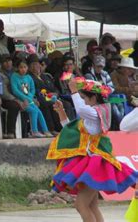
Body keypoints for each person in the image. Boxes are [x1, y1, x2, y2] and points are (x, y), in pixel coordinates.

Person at [47, 77, 138, 222]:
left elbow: (81, 110)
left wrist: (74, 92)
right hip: (90, 162)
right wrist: (61, 111)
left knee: (80, 205)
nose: (82, 101)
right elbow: (70, 128)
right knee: (92, 206)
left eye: (84, 97)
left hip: (95, 164)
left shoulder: (97, 112)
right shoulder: (91, 114)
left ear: (94, 97)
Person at [11, 60, 52, 138]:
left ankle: (45, 130)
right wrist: (28, 99)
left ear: (27, 68)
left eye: (25, 67)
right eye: (21, 67)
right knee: (34, 110)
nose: (23, 69)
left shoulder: (29, 77)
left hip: (29, 100)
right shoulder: (14, 77)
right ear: (17, 68)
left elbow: (32, 90)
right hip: (20, 101)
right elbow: (15, 91)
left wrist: (30, 98)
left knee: (39, 111)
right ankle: (34, 131)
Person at [85, 55, 123, 131]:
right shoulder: (88, 75)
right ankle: (121, 125)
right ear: (93, 65)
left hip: (107, 97)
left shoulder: (104, 74)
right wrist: (104, 90)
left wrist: (103, 90)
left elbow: (111, 87)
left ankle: (119, 125)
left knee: (120, 101)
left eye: (101, 67)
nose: (99, 69)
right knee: (113, 106)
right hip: (96, 100)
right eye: (98, 66)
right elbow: (93, 90)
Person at [28, 54, 62, 134]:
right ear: (29, 67)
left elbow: (54, 87)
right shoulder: (30, 77)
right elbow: (37, 91)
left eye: (37, 64)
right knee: (49, 103)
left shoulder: (45, 76)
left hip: (51, 96)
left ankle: (64, 126)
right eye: (33, 64)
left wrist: (56, 93)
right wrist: (50, 95)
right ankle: (51, 129)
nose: (36, 66)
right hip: (40, 97)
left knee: (66, 104)